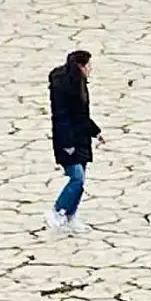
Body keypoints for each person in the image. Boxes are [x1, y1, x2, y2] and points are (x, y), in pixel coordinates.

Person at [46, 50, 104, 232]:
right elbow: (63, 119)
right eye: (89, 66)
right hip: (68, 141)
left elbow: (81, 115)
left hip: (81, 139)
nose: (91, 69)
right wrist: (68, 144)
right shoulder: (64, 88)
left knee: (81, 179)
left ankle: (70, 216)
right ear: (81, 66)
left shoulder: (80, 85)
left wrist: (96, 132)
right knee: (76, 178)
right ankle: (57, 210)